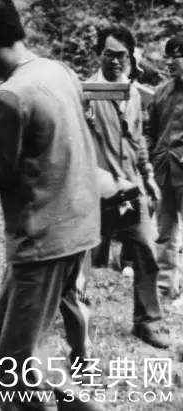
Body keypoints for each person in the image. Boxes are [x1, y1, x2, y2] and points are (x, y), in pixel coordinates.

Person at [0, 0, 103, 410]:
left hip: (44, 241)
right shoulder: (59, 71)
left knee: (13, 365)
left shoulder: (11, 96)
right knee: (8, 331)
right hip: (78, 228)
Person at [84, 25, 168, 349]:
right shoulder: (86, 93)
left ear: (131, 58)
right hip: (94, 191)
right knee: (78, 260)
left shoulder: (132, 93)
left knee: (146, 249)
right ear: (99, 55)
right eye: (110, 54)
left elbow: (137, 141)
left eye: (122, 55)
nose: (116, 61)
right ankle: (73, 320)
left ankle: (148, 321)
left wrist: (147, 176)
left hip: (129, 189)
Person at [146, 34, 183, 299]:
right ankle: (165, 286)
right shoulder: (161, 92)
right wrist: (147, 157)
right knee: (164, 231)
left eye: (176, 56)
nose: (169, 62)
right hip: (163, 169)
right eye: (167, 56)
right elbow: (151, 130)